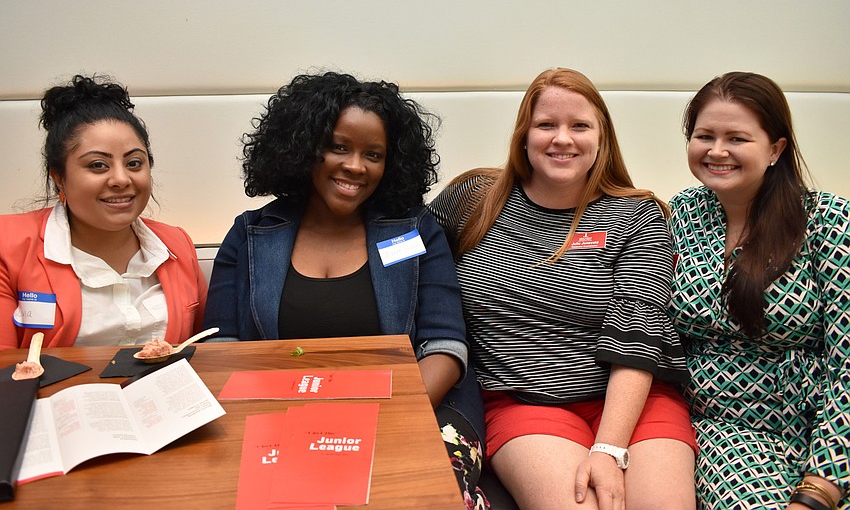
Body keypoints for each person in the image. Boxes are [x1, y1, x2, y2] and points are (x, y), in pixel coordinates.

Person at [202, 71, 487, 507]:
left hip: (419, 408)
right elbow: (222, 349)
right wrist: (288, 428)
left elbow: (445, 347)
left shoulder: (414, 231)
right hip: (280, 415)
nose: (356, 166)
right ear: (304, 147)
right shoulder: (252, 234)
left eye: (373, 154)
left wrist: (370, 423)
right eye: (339, 147)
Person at [429, 68, 697, 510]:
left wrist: (609, 448)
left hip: (632, 401)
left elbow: (638, 330)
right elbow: (403, 254)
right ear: (524, 134)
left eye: (579, 126)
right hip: (523, 404)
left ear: (601, 137)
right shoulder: (475, 198)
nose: (562, 139)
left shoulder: (638, 215)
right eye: (546, 125)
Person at [669, 71, 850, 510]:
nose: (717, 151)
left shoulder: (828, 220)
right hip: (728, 430)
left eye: (737, 138)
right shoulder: (678, 213)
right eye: (704, 135)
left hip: (829, 425)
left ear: (776, 149)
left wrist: (822, 483)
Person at [0, 74, 207, 350]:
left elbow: (203, 350)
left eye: (134, 163)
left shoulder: (176, 245)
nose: (121, 179)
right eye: (98, 165)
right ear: (59, 177)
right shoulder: (8, 244)